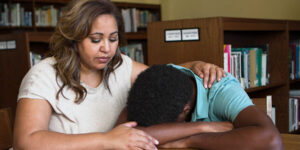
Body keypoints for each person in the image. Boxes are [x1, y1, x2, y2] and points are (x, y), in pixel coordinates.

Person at [12, 0, 226, 150]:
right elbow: (27, 141)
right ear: (73, 39)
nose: (107, 48)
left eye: (113, 38)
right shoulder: (44, 74)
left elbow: (159, 80)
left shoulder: (120, 64)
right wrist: (107, 140)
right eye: (96, 39)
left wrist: (195, 65)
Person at [122, 64, 283, 150]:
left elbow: (271, 140)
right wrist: (203, 127)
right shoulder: (159, 80)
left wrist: (189, 141)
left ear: (185, 110)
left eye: (167, 125)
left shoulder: (222, 90)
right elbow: (125, 134)